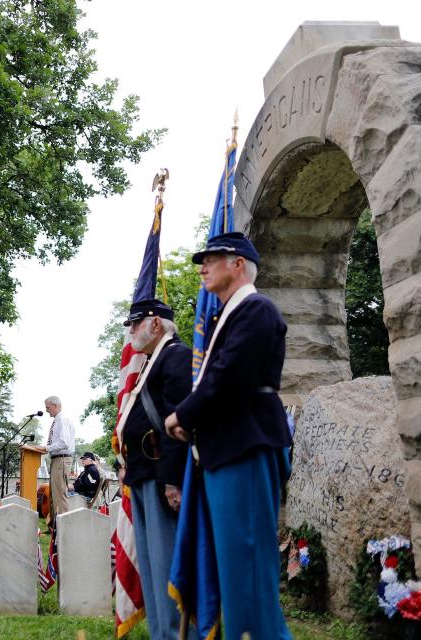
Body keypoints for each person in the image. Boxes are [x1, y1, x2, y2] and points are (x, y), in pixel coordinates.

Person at [164, 231, 293, 640]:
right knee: (232, 567)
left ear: (238, 264)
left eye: (212, 259)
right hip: (226, 445)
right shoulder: (229, 315)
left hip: (246, 444)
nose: (202, 266)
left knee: (249, 564)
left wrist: (182, 414)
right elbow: (218, 380)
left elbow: (228, 375)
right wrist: (194, 419)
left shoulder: (256, 310)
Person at [117, 298, 192, 640]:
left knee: (166, 565)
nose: (131, 331)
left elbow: (179, 422)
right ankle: (163, 633)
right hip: (143, 471)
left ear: (157, 324)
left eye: (135, 323)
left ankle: (178, 634)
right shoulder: (150, 362)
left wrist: (173, 480)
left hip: (163, 474)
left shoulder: (176, 355)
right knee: (149, 566)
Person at [41, 395, 75, 525]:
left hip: (62, 460)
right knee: (53, 496)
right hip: (57, 459)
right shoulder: (58, 420)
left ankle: (63, 529)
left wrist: (46, 447)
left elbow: (64, 443)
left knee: (60, 496)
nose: (46, 410)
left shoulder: (63, 420)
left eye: (48, 407)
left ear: (55, 406)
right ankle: (53, 527)